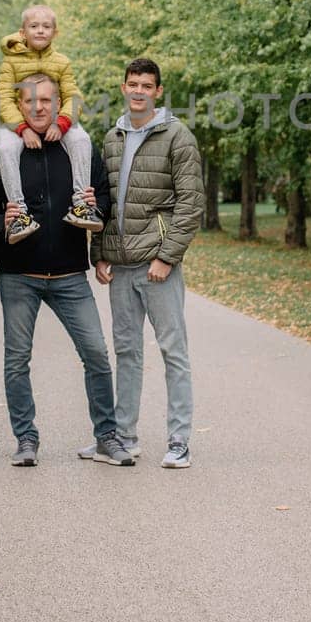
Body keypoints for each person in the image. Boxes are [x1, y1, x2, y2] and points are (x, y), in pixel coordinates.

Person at [0, 73, 133, 467]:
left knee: (96, 353)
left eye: (46, 100)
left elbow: (105, 200)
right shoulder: (1, 154)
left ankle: (106, 436)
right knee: (16, 361)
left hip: (68, 276)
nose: (38, 107)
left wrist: (97, 203)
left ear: (58, 102)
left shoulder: (77, 149)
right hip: (18, 275)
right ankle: (26, 439)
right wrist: (2, 220)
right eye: (30, 101)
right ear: (19, 104)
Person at [85, 58, 204, 469]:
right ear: (123, 87)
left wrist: (166, 256)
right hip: (120, 266)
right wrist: (99, 252)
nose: (139, 90)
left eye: (146, 85)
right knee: (128, 353)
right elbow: (101, 197)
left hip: (157, 264)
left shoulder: (177, 136)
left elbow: (191, 204)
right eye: (132, 83)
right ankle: (125, 437)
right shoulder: (112, 137)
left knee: (174, 351)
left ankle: (179, 441)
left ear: (158, 91)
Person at [0, 4, 103, 244]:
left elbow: (73, 96)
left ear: (55, 32)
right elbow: (4, 99)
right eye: (34, 26)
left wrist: (62, 123)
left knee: (82, 139)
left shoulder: (61, 62)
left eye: (46, 26)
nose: (40, 30)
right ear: (23, 32)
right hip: (17, 123)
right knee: (6, 149)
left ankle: (82, 205)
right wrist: (22, 129)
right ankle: (19, 215)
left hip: (56, 119)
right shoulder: (10, 63)